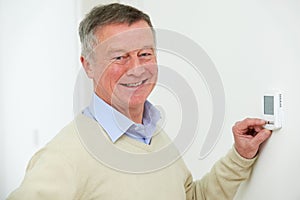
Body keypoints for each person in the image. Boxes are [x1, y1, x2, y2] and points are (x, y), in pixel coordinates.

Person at [7, 3, 272, 200]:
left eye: (144, 54)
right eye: (119, 57)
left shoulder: (153, 134)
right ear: (88, 66)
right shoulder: (64, 157)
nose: (136, 69)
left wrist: (240, 156)